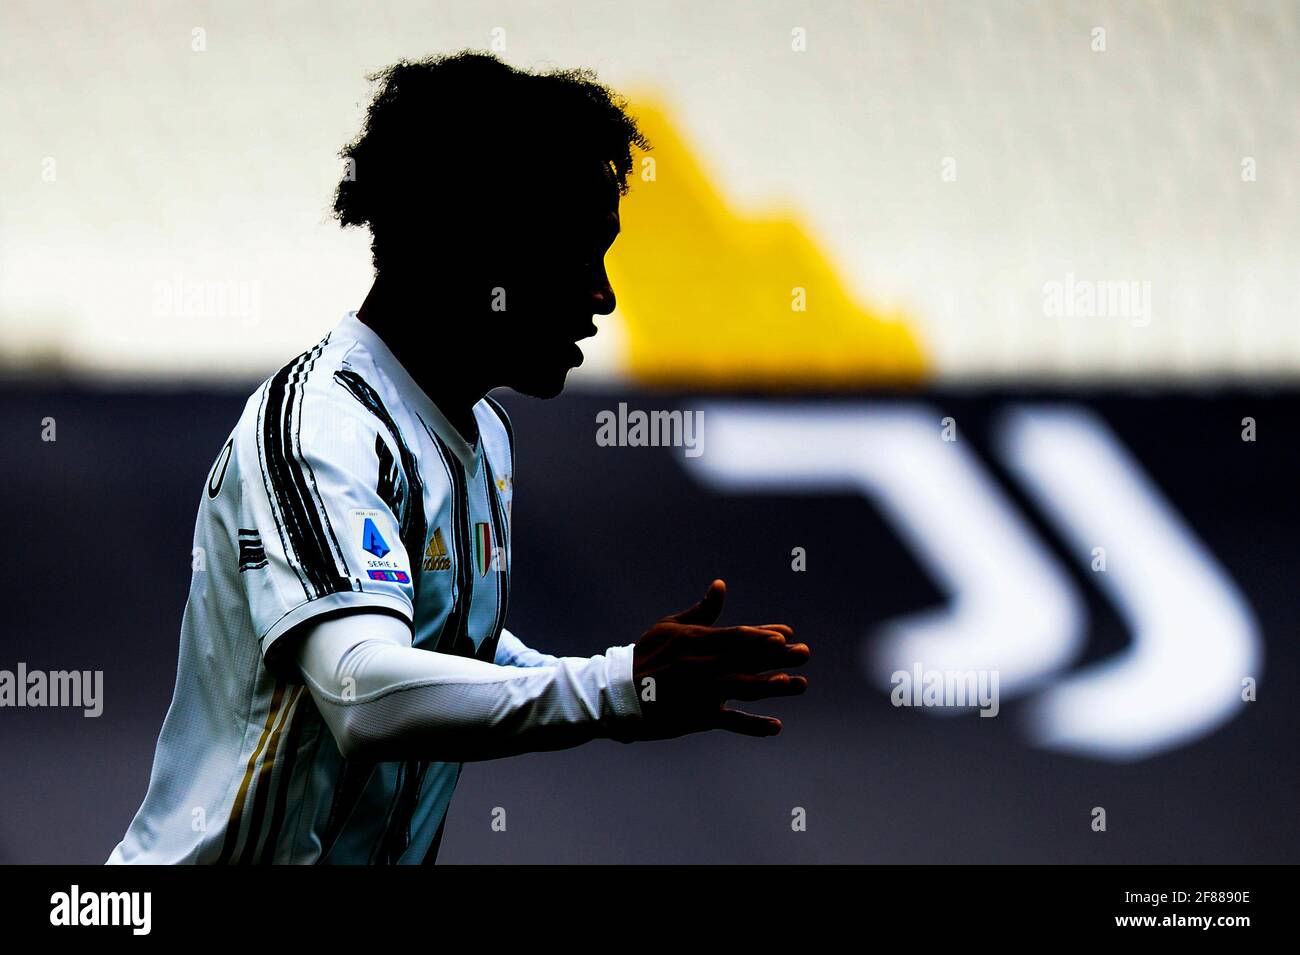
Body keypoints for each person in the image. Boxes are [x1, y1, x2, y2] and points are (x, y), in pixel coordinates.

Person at [108, 50, 809, 865]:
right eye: (582, 254)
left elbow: (438, 642)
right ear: (481, 251)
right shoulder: (321, 431)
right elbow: (363, 691)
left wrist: (618, 678)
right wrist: (614, 687)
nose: (603, 295)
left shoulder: (481, 430)